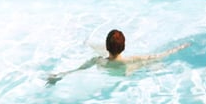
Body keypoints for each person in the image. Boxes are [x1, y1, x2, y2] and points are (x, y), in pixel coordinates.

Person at [46, 29, 190, 85]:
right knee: (154, 63)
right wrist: (181, 47)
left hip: (107, 69)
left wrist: (58, 76)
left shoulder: (98, 61)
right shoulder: (133, 60)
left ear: (107, 47)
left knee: (98, 51)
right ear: (124, 46)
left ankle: (88, 42)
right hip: (126, 73)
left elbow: (78, 70)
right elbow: (161, 55)